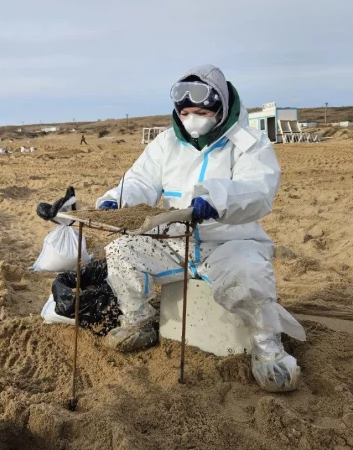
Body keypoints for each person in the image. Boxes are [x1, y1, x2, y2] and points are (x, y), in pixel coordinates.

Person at [94, 64, 305, 392]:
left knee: (250, 275)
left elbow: (260, 189)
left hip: (229, 242)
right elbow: (140, 179)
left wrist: (218, 200)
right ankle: (138, 322)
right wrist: (116, 200)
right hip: (175, 241)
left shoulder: (248, 142)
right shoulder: (166, 143)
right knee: (121, 250)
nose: (193, 118)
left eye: (202, 110)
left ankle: (268, 351)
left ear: (220, 106)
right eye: (186, 111)